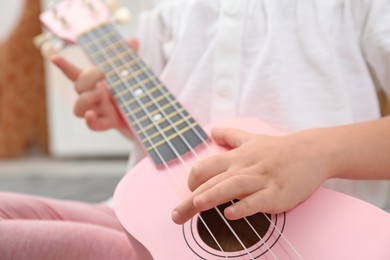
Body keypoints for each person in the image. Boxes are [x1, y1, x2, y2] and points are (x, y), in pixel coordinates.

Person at [1, 0, 390, 259]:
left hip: (313, 234)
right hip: (164, 219)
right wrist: (123, 114)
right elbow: (168, 135)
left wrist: (315, 152)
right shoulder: (174, 6)